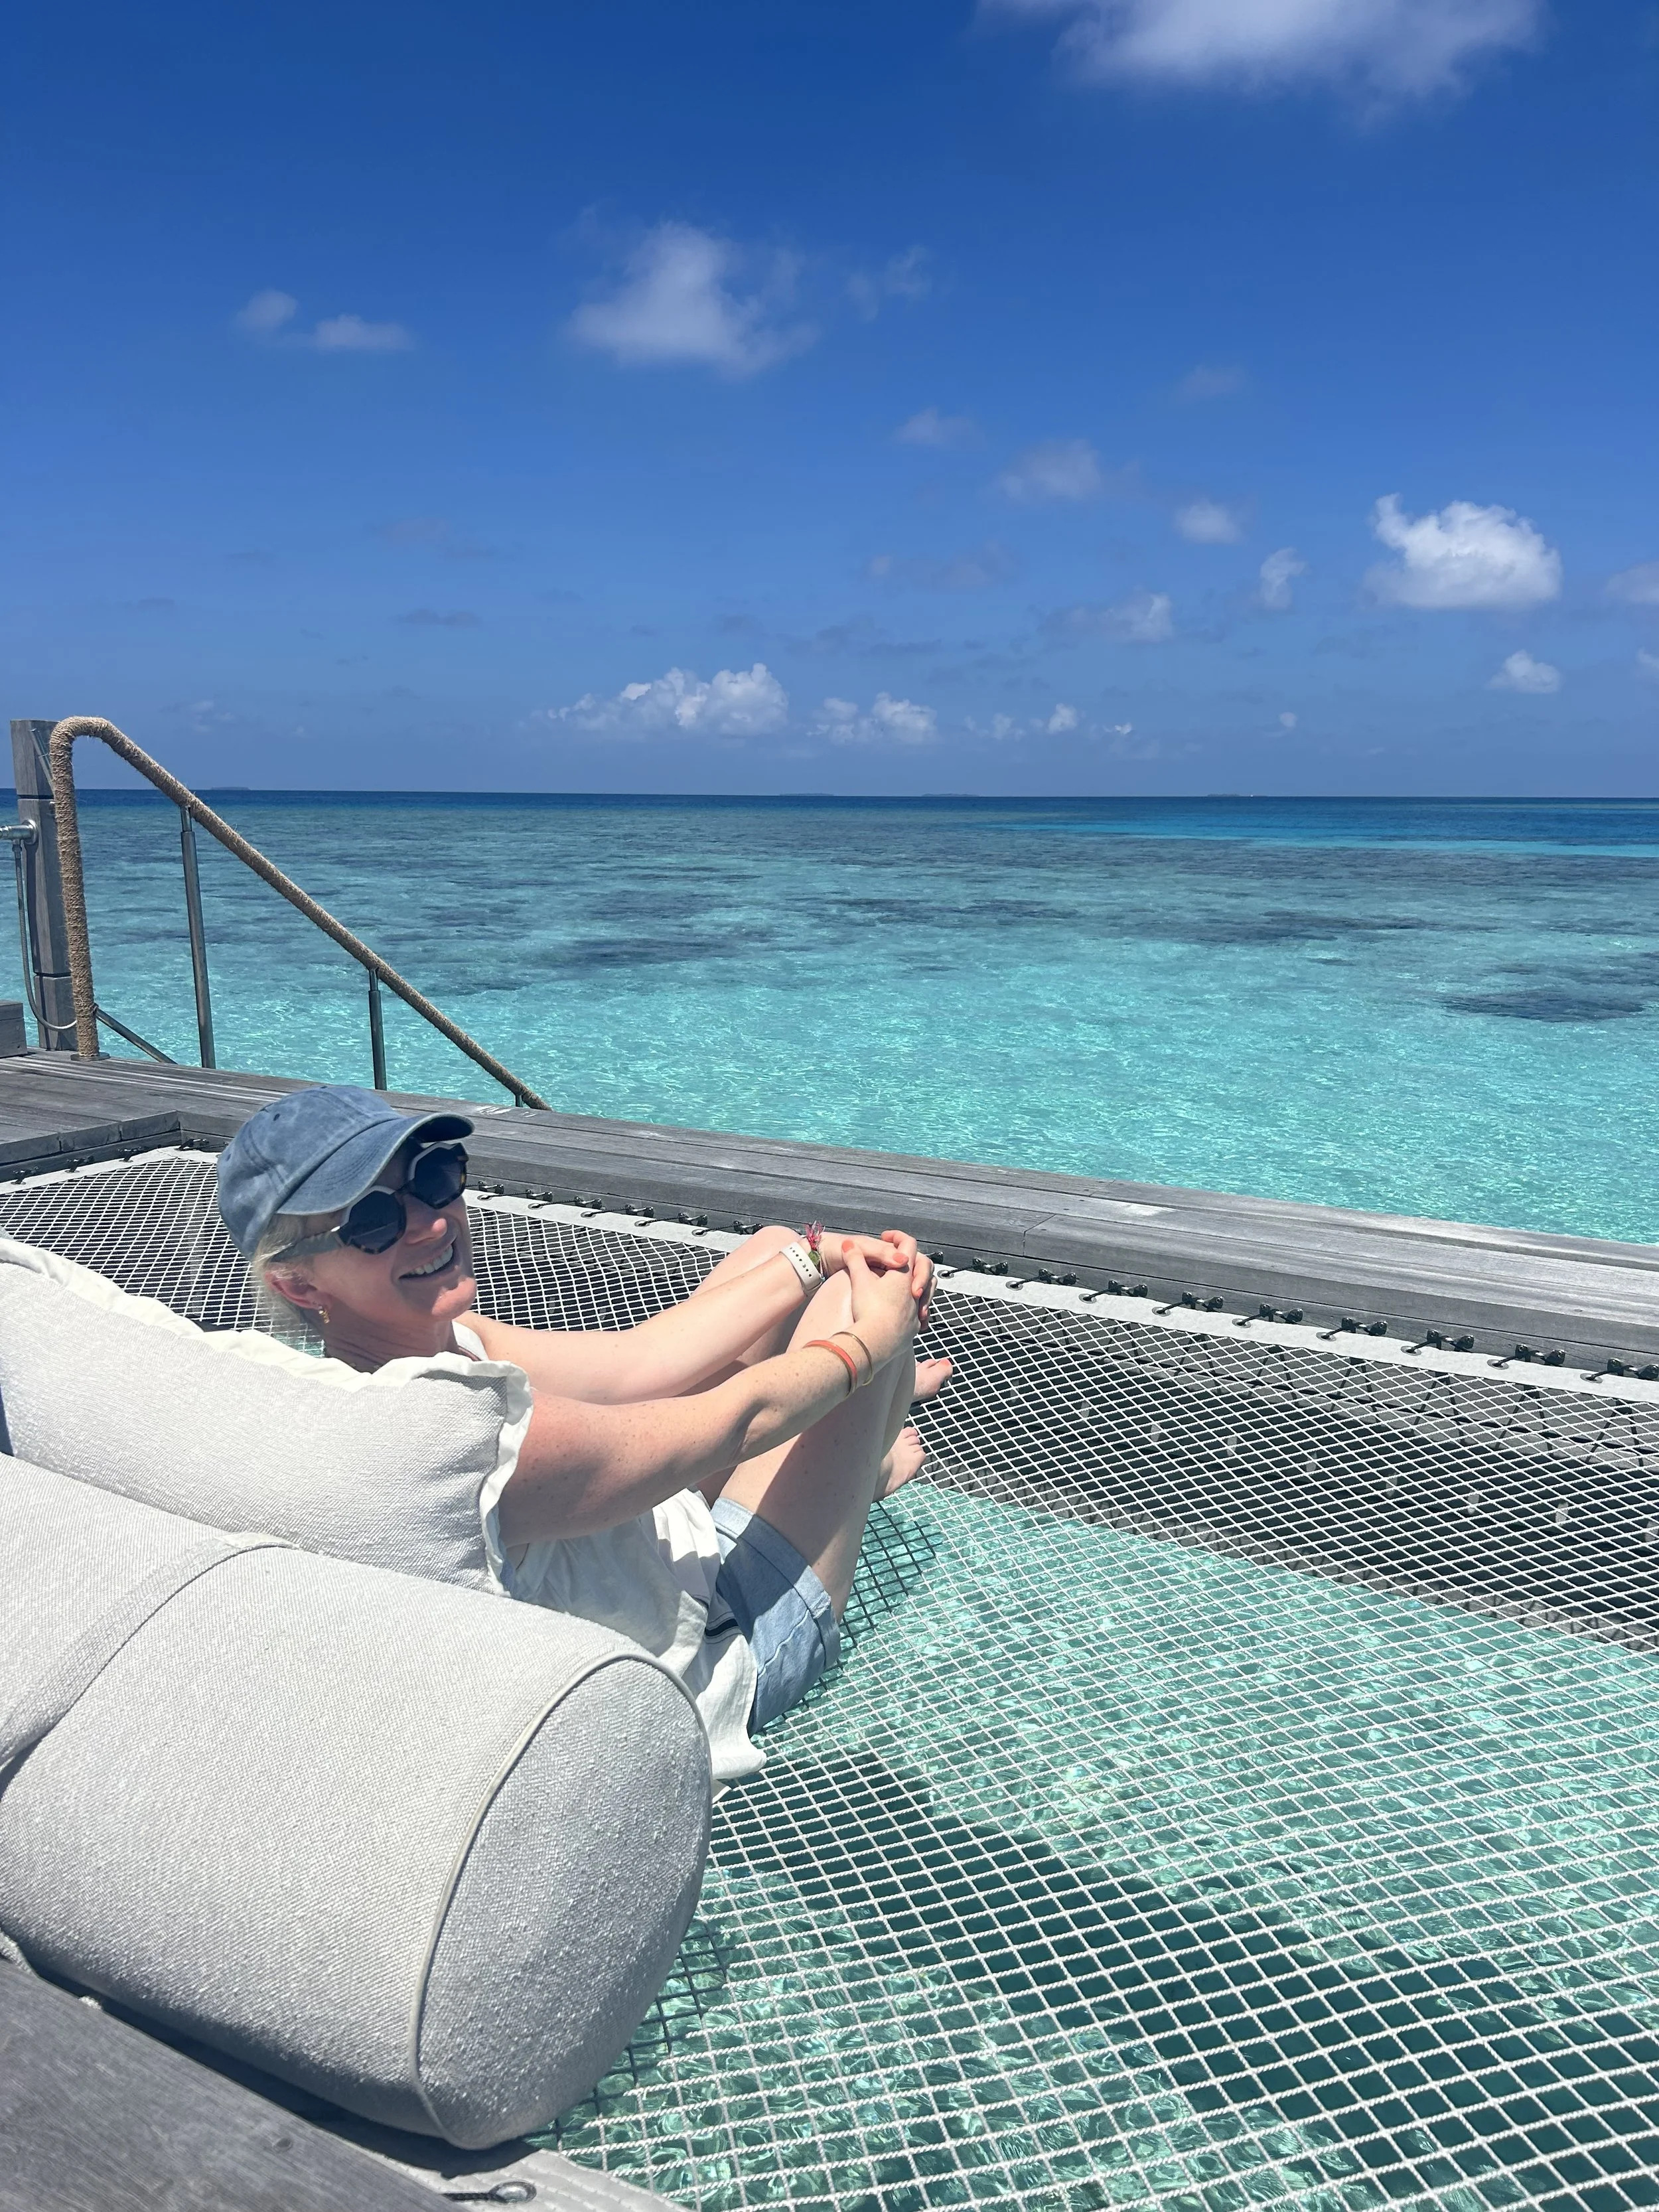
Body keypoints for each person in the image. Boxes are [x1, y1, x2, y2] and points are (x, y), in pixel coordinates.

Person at [216, 1085, 950, 1781]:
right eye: (374, 1222)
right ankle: (865, 1459)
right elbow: (738, 1421)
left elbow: (641, 1363)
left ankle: (858, 1453)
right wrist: (870, 1344)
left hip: (657, 1537)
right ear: (300, 1285)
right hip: (720, 1654)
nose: (431, 1222)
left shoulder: (441, 1342)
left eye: (435, 1177)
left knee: (772, 1247)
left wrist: (815, 1251)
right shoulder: (455, 1440)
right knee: (860, 1310)